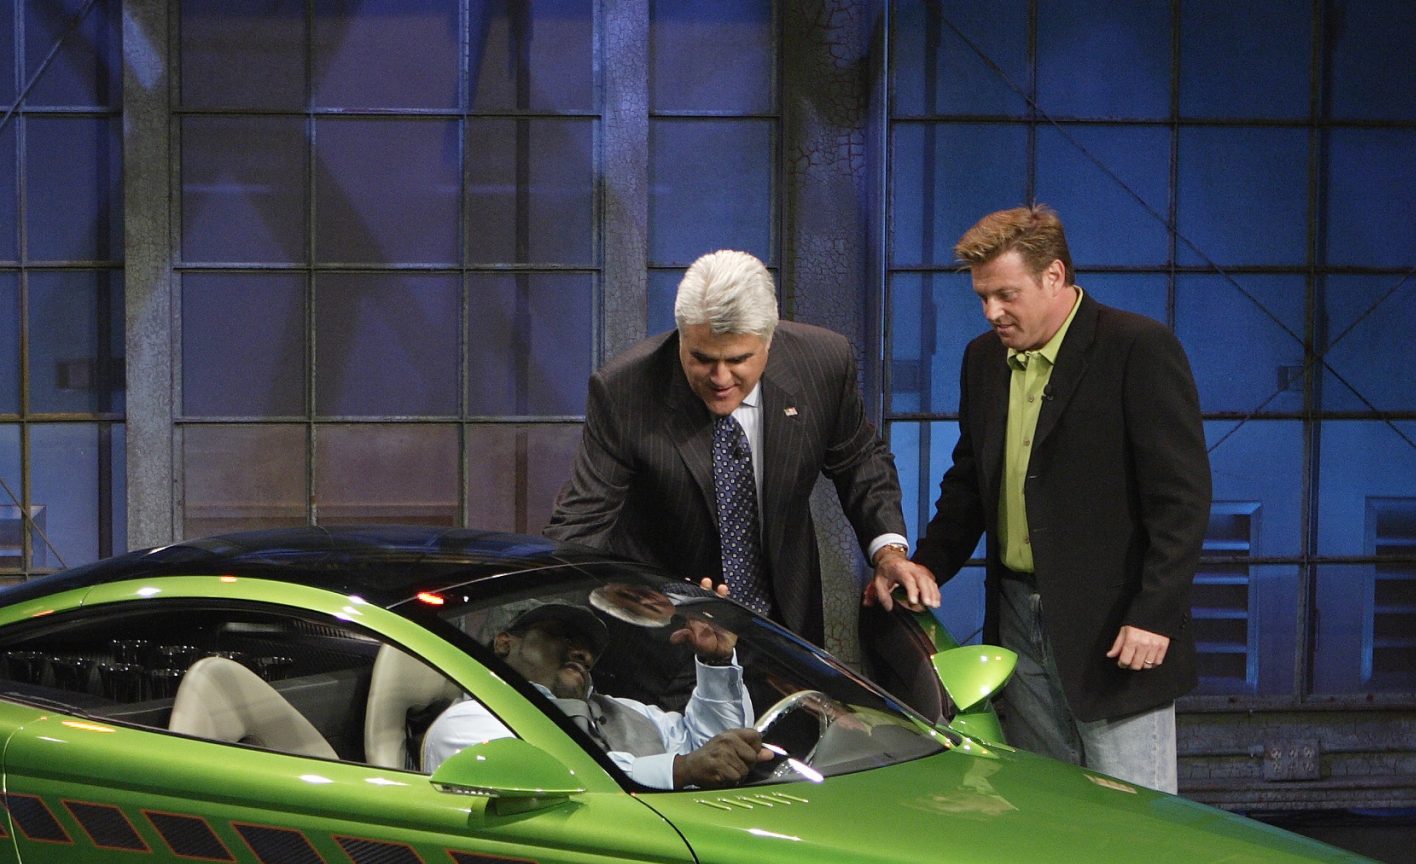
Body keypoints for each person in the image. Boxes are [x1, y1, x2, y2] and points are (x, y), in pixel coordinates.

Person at [888, 205, 1210, 792]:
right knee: (1048, 806)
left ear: (1055, 276)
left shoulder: (1137, 348)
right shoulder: (982, 360)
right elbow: (970, 483)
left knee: (1134, 817)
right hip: (1016, 616)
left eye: (1006, 294)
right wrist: (926, 564)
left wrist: (1153, 613)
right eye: (982, 297)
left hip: (1116, 629)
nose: (991, 312)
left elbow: (1182, 499)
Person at [547, 250, 915, 646]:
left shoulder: (823, 363)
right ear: (681, 336)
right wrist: (545, 611)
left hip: (784, 635)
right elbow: (584, 517)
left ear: (769, 341)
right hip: (670, 638)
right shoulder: (625, 391)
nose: (720, 378)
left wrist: (888, 553)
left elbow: (859, 461)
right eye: (702, 359)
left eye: (738, 359)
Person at [420, 602, 768, 790]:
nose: (582, 653)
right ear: (504, 642)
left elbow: (713, 752)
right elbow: (562, 779)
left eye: (588, 649)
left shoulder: (628, 711)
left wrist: (716, 659)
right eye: (564, 637)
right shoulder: (469, 721)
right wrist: (680, 771)